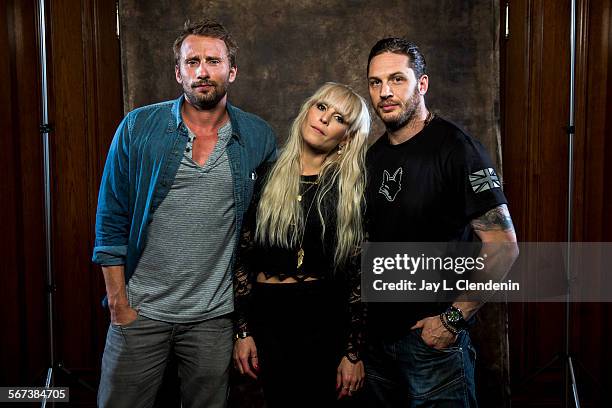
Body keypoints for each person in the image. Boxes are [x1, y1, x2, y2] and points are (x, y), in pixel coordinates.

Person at [92, 19, 277, 408]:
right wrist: (119, 304)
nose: (203, 71)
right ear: (178, 72)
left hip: (212, 317)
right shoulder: (139, 127)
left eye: (213, 60)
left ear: (232, 70)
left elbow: (266, 225)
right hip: (140, 310)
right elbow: (111, 219)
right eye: (192, 61)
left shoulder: (258, 136)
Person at [363, 38, 519, 407]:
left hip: (431, 345)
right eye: (375, 82)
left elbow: (504, 246)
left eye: (397, 79)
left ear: (422, 84)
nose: (385, 92)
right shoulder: (375, 155)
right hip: (379, 344)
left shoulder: (458, 149)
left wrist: (452, 319)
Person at [232, 82, 370, 407]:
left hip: (324, 315)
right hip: (268, 315)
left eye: (338, 118)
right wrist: (242, 331)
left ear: (347, 137)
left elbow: (359, 277)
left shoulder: (350, 191)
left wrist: (353, 353)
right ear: (308, 109)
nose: (323, 119)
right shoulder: (266, 176)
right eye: (321, 107)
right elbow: (242, 258)